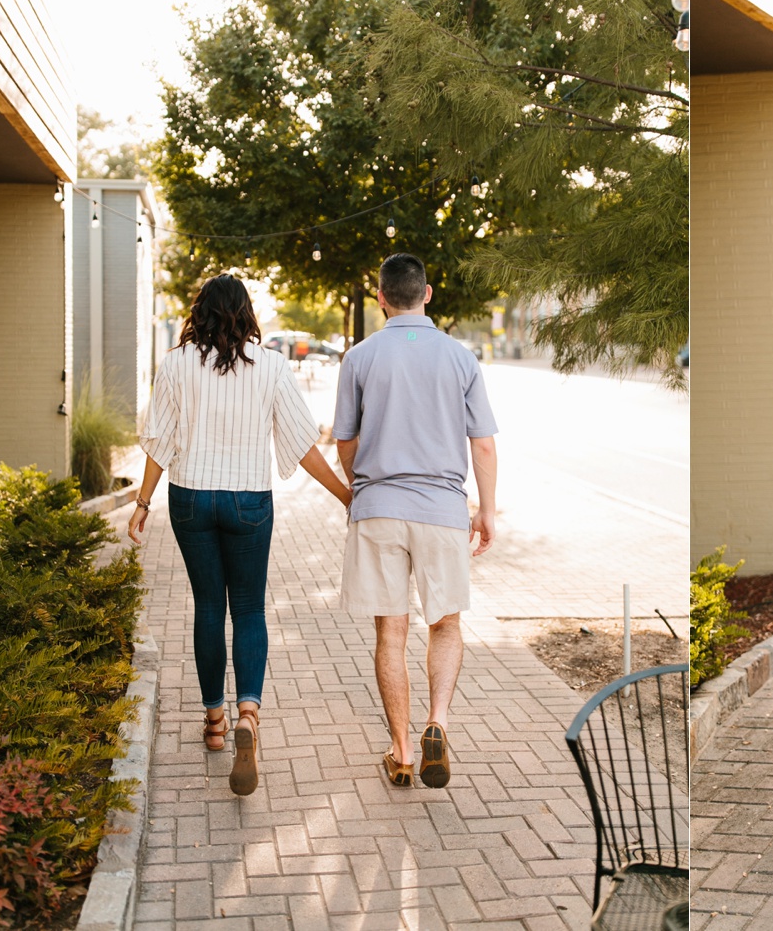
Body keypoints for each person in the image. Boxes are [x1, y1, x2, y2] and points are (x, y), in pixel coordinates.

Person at [127, 274, 352, 796]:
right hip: (249, 500)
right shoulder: (271, 366)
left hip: (191, 498)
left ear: (199, 311)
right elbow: (301, 442)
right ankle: (248, 713)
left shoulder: (176, 364)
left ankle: (213, 722)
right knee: (249, 609)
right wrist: (345, 495)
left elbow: (159, 440)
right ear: (247, 314)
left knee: (209, 607)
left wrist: (142, 504)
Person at [333, 254, 498, 789]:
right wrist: (486, 509)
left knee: (391, 631)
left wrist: (362, 484)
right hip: (442, 510)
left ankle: (402, 751)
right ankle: (438, 723)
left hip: (379, 508)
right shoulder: (459, 357)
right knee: (445, 623)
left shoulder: (359, 358)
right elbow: (483, 445)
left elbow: (344, 441)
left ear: (380, 297)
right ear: (427, 295)